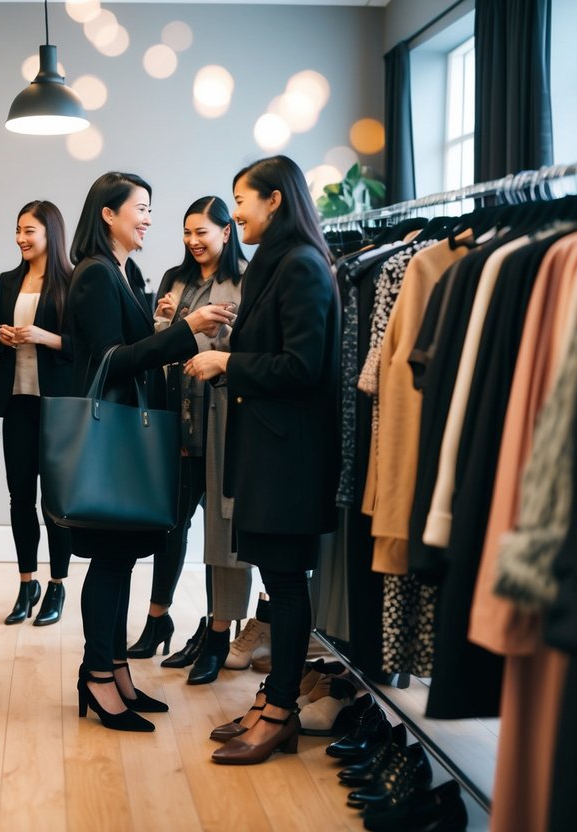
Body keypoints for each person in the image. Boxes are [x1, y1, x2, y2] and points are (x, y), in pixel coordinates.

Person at [65, 172, 234, 732]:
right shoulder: (94, 274)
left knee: (120, 559)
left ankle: (115, 670)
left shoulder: (123, 271)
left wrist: (165, 324)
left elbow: (131, 345)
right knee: (111, 561)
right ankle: (95, 677)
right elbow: (108, 361)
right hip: (115, 439)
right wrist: (186, 329)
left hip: (128, 437)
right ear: (108, 214)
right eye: (140, 208)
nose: (148, 218)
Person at [185, 155, 340, 764]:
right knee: (277, 582)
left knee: (284, 585)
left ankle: (280, 713)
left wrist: (227, 363)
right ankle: (272, 702)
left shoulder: (300, 265)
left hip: (289, 458)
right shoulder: (276, 266)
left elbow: (304, 366)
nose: (237, 212)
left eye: (242, 200)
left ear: (274, 201)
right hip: (270, 451)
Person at [127, 196, 255, 687]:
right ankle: (159, 618)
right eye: (187, 233)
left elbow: (241, 350)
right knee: (170, 526)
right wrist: (160, 322)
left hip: (224, 424)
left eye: (203, 232)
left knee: (223, 535)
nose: (194, 241)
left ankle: (217, 634)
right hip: (178, 423)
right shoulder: (174, 281)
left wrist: (196, 338)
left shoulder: (247, 281)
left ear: (227, 231)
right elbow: (158, 345)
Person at [0, 200, 74, 626]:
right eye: (18, 230)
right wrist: (4, 336)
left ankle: (57, 585)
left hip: (56, 409)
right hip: (17, 403)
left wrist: (45, 337)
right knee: (19, 498)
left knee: (54, 503)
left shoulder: (73, 283)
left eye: (29, 231)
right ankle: (27, 584)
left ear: (50, 234)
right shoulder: (7, 281)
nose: (21, 238)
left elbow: (84, 347)